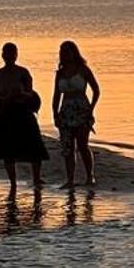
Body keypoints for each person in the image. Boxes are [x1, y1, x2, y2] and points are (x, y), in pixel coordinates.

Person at [0, 41, 47, 195]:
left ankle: (37, 178)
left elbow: (30, 92)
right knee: (7, 150)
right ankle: (13, 183)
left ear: (16, 55)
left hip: (23, 110)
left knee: (34, 146)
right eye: (6, 53)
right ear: (2, 55)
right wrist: (5, 98)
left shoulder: (23, 72)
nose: (9, 56)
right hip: (4, 112)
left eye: (12, 53)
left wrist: (20, 94)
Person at [52, 39, 99, 190]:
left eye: (67, 51)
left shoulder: (83, 69)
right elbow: (56, 95)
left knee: (82, 144)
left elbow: (96, 90)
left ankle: (89, 176)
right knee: (68, 146)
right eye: (63, 52)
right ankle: (70, 179)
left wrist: (91, 108)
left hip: (81, 109)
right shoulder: (60, 73)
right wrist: (55, 113)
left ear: (74, 52)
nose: (65, 55)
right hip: (66, 110)